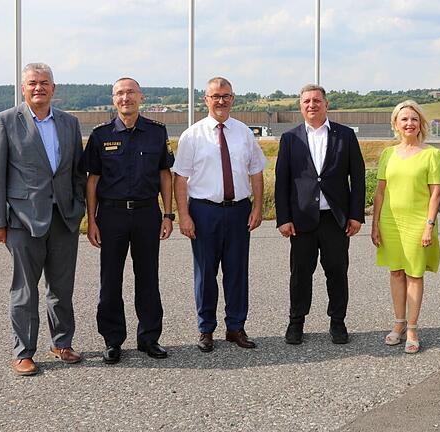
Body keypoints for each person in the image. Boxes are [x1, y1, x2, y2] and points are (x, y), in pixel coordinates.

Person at [0, 63, 86, 376]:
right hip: (22, 220)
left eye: (44, 83)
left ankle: (61, 343)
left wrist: (78, 206)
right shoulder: (5, 121)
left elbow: (77, 171)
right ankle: (23, 352)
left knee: (62, 287)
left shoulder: (69, 123)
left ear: (54, 88)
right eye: (32, 83)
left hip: (64, 218)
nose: (39, 88)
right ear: (23, 87)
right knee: (24, 290)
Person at [79, 77, 174, 364]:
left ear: (141, 97)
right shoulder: (100, 135)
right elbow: (92, 181)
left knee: (148, 278)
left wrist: (168, 215)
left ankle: (149, 338)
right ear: (113, 100)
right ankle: (112, 340)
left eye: (131, 92)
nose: (126, 98)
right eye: (120, 93)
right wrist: (91, 221)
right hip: (111, 215)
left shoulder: (156, 132)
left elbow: (164, 175)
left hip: (147, 213)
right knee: (110, 279)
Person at [173, 77, 266, 352]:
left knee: (237, 272)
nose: (221, 101)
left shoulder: (243, 133)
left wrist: (258, 207)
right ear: (206, 100)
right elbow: (180, 178)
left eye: (225, 96)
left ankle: (235, 327)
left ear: (233, 98)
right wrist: (184, 215)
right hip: (203, 212)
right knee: (205, 273)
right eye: (215, 96)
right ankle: (206, 329)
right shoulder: (193, 135)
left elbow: (256, 171)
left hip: (238, 210)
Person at [275, 84, 366, 345]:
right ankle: (296, 323)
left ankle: (337, 322)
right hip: (302, 220)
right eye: (306, 101)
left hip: (335, 219)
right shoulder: (290, 138)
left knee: (337, 273)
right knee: (300, 274)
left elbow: (357, 177)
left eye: (317, 100)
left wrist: (356, 215)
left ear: (326, 104)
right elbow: (282, 181)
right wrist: (284, 218)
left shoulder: (345, 135)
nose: (312, 105)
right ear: (300, 106)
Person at [371, 100, 440, 354]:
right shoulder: (388, 154)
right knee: (396, 272)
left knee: (414, 274)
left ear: (420, 123)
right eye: (404, 119)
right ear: (396, 124)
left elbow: (436, 194)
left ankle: (412, 328)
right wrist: (375, 224)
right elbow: (380, 192)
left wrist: (429, 225)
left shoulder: (432, 154)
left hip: (418, 222)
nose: (409, 123)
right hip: (390, 222)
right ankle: (399, 323)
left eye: (414, 119)